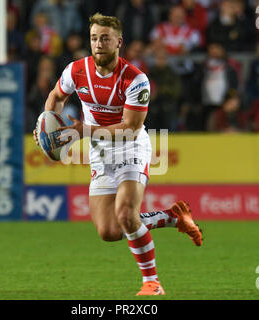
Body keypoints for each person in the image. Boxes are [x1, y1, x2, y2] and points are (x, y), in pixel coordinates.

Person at [33, 13, 203, 296]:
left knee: (126, 214)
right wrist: (48, 123)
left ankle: (152, 283)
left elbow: (132, 128)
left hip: (130, 146)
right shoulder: (76, 70)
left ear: (118, 42)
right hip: (100, 152)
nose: (98, 44)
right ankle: (172, 217)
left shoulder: (136, 80)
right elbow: (57, 96)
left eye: (105, 38)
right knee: (109, 231)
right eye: (94, 38)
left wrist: (83, 131)